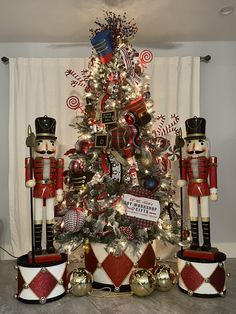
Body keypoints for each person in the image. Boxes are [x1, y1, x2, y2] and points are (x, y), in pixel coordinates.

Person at [177, 117, 217, 251]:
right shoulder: (185, 160)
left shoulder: (209, 159)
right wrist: (183, 179)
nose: (193, 148)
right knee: (193, 215)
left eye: (199, 142)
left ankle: (207, 242)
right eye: (189, 143)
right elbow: (183, 171)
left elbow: (213, 174)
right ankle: (195, 241)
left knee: (205, 214)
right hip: (192, 187)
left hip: (204, 187)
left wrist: (213, 190)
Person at [25, 116, 64, 254]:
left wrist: (60, 190)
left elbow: (59, 176)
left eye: (51, 143)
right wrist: (29, 180)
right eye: (41, 143)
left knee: (49, 217)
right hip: (38, 188)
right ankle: (36, 245)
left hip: (51, 189)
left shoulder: (58, 161)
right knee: (37, 218)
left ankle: (49, 244)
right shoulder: (32, 160)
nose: (46, 148)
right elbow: (28, 172)